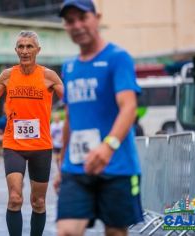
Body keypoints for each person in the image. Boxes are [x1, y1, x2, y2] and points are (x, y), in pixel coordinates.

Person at [0, 31, 63, 236]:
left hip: (41, 146)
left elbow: (72, 103)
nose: (24, 51)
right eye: (21, 47)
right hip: (13, 145)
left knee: (39, 201)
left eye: (29, 46)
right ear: (16, 50)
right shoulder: (8, 75)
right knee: (15, 198)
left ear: (38, 50)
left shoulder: (48, 76)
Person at [55, 1, 144, 235]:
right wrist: (62, 166)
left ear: (97, 17)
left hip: (117, 167)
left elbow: (129, 107)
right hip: (76, 168)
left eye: (82, 18)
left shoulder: (118, 58)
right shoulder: (69, 67)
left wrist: (108, 146)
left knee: (115, 232)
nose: (77, 25)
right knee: (66, 231)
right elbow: (71, 119)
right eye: (70, 21)